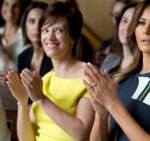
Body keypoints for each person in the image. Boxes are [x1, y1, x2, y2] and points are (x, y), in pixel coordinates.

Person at [82, 0, 150, 140]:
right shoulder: (122, 78)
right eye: (141, 22)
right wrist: (101, 115)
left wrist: (112, 103)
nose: (146, 30)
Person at [6, 2, 94, 141]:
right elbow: (26, 139)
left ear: (73, 37)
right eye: (45, 30)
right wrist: (22, 102)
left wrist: (41, 99)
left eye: (59, 30)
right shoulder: (46, 79)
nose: (50, 37)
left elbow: (81, 133)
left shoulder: (88, 75)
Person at [100, 2, 137, 76]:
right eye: (124, 21)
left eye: (133, 22)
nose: (127, 28)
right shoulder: (110, 59)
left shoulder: (146, 66)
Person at [18, 1, 52, 77]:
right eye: (32, 21)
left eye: (42, 22)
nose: (36, 27)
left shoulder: (55, 56)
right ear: (24, 25)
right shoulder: (22, 57)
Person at [94, 0, 131, 67]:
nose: (117, 18)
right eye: (115, 14)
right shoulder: (106, 44)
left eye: (121, 15)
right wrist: (105, 62)